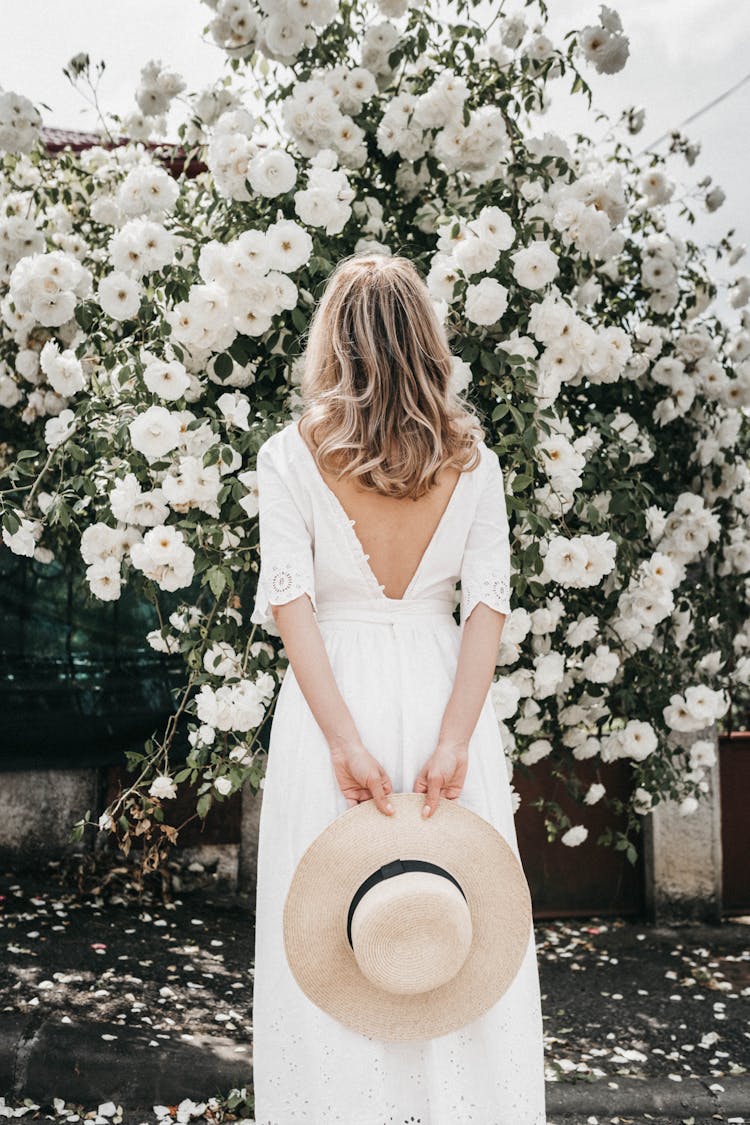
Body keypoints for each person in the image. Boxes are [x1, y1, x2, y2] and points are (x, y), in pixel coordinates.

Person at [249, 253, 546, 1124]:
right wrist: (455, 741)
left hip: (330, 706)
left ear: (334, 344)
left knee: (333, 930)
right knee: (453, 923)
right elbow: (487, 605)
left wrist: (342, 741)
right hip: (440, 692)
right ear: (426, 342)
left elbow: (290, 602)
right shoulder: (476, 464)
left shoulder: (288, 455)